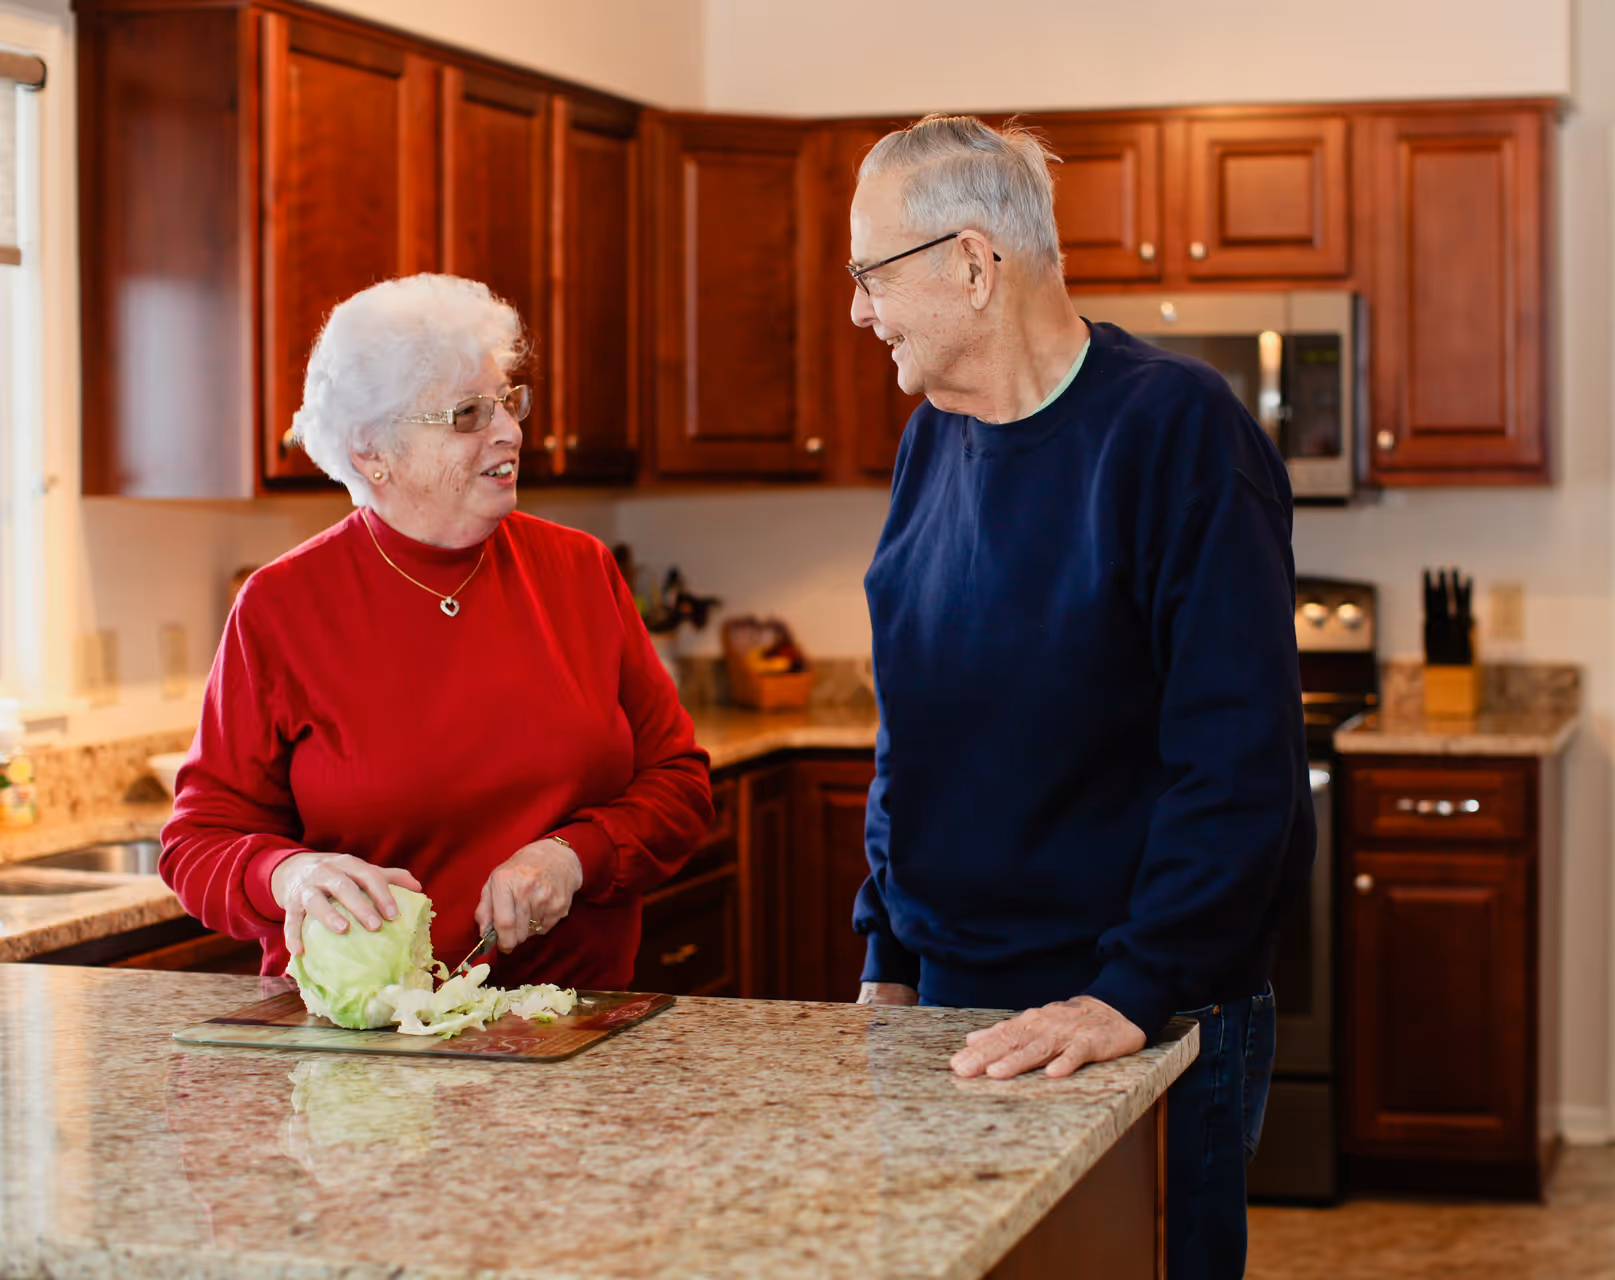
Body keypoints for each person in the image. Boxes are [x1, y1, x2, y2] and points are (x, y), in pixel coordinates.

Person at [847, 116, 1315, 1279]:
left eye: (871, 273)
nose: (861, 311)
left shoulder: (1177, 431)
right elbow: (912, 729)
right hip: (953, 1000)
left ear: (970, 262)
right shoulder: (929, 443)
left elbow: (1240, 759)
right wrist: (889, 948)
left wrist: (1131, 991)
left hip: (1132, 1011)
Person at [161, 274, 713, 988]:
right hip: (366, 1056)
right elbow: (197, 843)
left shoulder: (579, 571)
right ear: (371, 452)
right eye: (467, 415)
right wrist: (289, 874)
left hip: (571, 1034)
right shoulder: (281, 607)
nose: (510, 430)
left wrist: (574, 856)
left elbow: (679, 784)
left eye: (508, 402)